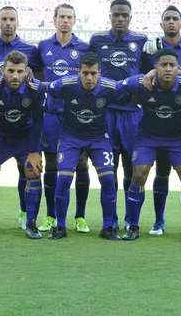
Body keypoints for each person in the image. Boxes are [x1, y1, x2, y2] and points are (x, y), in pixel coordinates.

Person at [120, 48, 181, 243]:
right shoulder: (141, 83)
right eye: (163, 65)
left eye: (172, 65)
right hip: (148, 137)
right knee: (139, 174)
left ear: (178, 68)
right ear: (155, 67)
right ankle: (133, 226)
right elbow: (115, 87)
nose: (168, 69)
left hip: (177, 138)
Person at [45, 52, 131, 241]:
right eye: (85, 73)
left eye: (93, 73)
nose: (89, 77)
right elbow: (44, 88)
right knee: (64, 180)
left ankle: (108, 227)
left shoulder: (110, 88)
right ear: (79, 72)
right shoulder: (65, 84)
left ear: (100, 72)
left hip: (99, 138)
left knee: (108, 180)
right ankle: (60, 226)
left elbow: (132, 89)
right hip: (70, 137)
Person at [141, 6, 181, 237]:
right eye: (167, 18)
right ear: (161, 24)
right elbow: (141, 78)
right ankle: (159, 221)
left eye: (175, 19)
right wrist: (149, 70)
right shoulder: (152, 48)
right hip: (160, 119)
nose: (171, 22)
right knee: (162, 171)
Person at [89, 0, 147, 232]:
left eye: (124, 15)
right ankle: (110, 218)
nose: (120, 19)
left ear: (130, 18)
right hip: (106, 114)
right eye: (116, 15)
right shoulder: (97, 41)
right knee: (108, 168)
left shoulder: (141, 41)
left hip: (132, 115)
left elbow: (149, 74)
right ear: (110, 17)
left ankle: (130, 219)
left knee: (131, 168)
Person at [0, 51, 45, 239]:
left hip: (26, 136)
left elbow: (39, 121)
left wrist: (34, 151)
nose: (15, 76)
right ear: (2, 70)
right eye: (11, 71)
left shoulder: (36, 88)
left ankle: (31, 224)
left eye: (20, 71)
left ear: (26, 71)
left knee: (33, 170)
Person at [0, 6, 43, 229]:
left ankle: (26, 214)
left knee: (27, 169)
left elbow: (41, 75)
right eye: (4, 19)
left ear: (18, 23)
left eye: (12, 19)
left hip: (24, 126)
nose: (8, 22)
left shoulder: (30, 49)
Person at [37, 4, 91, 233]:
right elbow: (36, 76)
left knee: (81, 163)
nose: (65, 21)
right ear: (54, 19)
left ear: (75, 21)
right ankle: (50, 215)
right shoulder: (43, 47)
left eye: (69, 17)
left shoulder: (84, 48)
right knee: (50, 164)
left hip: (77, 116)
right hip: (51, 115)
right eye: (62, 17)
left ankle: (80, 216)